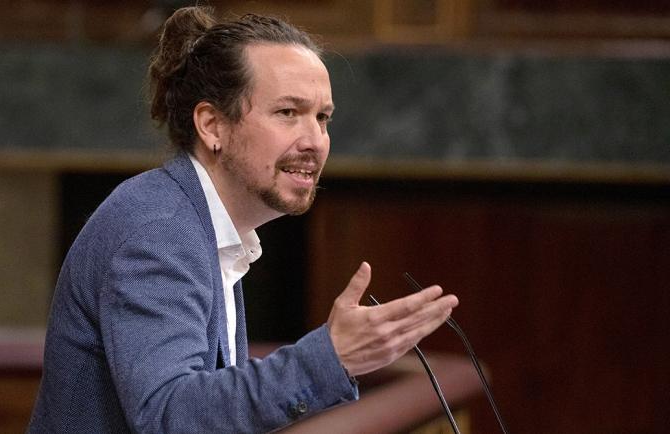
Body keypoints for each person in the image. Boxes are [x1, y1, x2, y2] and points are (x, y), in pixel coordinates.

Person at [28, 6, 458, 433]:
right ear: (212, 125)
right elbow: (170, 415)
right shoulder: (159, 230)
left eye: (322, 117)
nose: (315, 142)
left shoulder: (200, 223)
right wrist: (330, 358)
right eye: (288, 113)